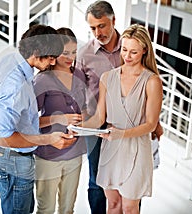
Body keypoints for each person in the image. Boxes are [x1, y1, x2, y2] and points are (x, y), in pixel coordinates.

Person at [76, 1, 163, 213]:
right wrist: (77, 127)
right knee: (106, 196)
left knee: (130, 204)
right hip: (106, 139)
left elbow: (149, 120)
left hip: (133, 141)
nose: (127, 56)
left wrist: (123, 133)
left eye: (133, 52)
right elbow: (94, 113)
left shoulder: (151, 80)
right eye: (124, 50)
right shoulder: (101, 70)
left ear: (143, 51)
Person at [0, 24, 77, 214]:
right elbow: (4, 137)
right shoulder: (15, 85)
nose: (53, 63)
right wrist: (48, 139)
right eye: (51, 57)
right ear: (37, 52)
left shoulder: (13, 62)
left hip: (15, 157)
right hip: (14, 159)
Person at [33, 27, 87, 214]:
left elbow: (86, 108)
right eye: (65, 53)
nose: (70, 57)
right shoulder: (41, 80)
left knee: (67, 209)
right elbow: (31, 122)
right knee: (46, 209)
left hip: (75, 153)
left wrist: (83, 121)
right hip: (48, 156)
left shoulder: (79, 75)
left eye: (74, 51)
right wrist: (59, 118)